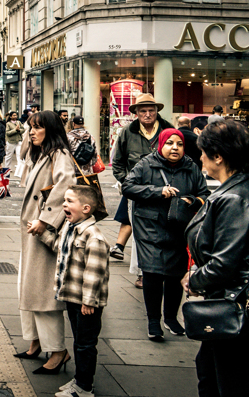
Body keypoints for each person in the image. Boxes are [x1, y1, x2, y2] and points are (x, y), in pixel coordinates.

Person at [182, 119, 249, 397]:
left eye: (203, 152)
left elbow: (225, 261)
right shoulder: (234, 190)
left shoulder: (233, 198)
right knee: (210, 370)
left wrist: (194, 278)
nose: (200, 158)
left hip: (232, 303)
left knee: (224, 379)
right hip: (225, 301)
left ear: (218, 156)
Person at [123, 128, 208, 341]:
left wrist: (193, 201)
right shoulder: (145, 164)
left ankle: (171, 318)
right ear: (161, 145)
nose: (175, 148)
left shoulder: (191, 167)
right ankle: (153, 321)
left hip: (179, 228)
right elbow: (128, 187)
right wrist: (156, 191)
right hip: (150, 228)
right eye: (170, 143)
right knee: (152, 274)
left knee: (174, 275)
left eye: (179, 144)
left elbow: (204, 194)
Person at [16, 110, 75, 375]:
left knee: (42, 294)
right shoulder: (41, 154)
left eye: (38, 128)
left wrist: (46, 220)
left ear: (50, 130)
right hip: (31, 232)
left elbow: (67, 184)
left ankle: (58, 350)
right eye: (30, 127)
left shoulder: (59, 154)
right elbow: (23, 154)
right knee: (27, 288)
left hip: (42, 232)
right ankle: (35, 341)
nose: (31, 132)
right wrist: (30, 136)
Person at [52, 185, 110, 397]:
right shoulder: (70, 227)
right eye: (64, 200)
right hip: (73, 297)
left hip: (87, 303)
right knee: (79, 342)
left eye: (69, 201)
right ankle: (79, 380)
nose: (64, 204)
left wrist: (88, 301)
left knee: (85, 345)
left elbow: (94, 273)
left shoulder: (93, 236)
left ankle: (84, 387)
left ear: (86, 208)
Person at [109, 93, 173, 286]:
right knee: (140, 234)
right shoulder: (127, 132)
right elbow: (117, 162)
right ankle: (143, 273)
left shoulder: (167, 129)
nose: (147, 114)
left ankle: (164, 270)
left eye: (151, 110)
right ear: (136, 113)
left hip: (164, 190)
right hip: (137, 192)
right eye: (143, 111)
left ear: (156, 111)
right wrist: (126, 183)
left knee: (165, 231)